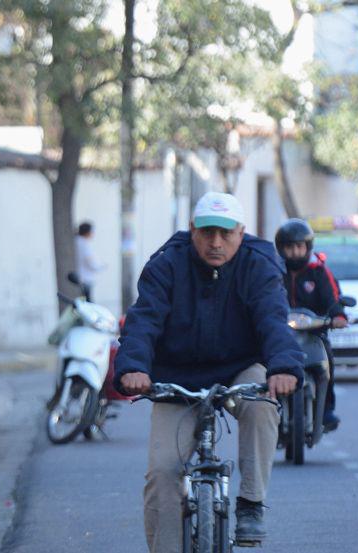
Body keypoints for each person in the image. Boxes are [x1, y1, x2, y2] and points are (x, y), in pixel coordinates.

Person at [114, 192, 303, 552]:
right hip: (177, 376)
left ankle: (250, 503)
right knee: (162, 473)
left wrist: (284, 367)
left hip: (239, 367)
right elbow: (144, 320)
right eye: (206, 232)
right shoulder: (166, 265)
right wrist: (134, 367)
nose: (216, 242)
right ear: (191, 231)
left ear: (241, 233)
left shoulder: (258, 265)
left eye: (226, 233)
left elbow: (273, 321)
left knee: (263, 402)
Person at [275, 218, 348, 432]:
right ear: (281, 248)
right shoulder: (273, 271)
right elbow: (263, 298)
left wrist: (338, 316)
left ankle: (327, 410)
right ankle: (271, 409)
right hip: (281, 334)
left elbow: (332, 298)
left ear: (308, 247)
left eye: (300, 246)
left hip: (314, 333)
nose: (295, 252)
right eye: (290, 247)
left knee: (328, 363)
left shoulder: (319, 271)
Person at [75, 221, 105, 301]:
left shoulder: (77, 241)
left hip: (81, 276)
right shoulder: (84, 244)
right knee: (87, 303)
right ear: (87, 232)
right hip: (85, 278)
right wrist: (100, 267)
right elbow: (90, 262)